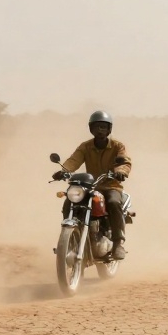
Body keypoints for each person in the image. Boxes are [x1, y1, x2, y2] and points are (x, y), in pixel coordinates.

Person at [54, 111, 132, 260]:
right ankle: (69, 237)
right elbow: (74, 160)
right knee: (69, 200)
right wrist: (63, 171)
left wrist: (121, 171)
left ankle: (117, 243)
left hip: (111, 186)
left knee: (113, 202)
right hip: (90, 186)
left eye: (104, 127)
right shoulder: (85, 146)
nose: (100, 130)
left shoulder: (117, 146)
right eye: (97, 127)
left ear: (109, 130)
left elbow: (125, 161)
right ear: (91, 128)